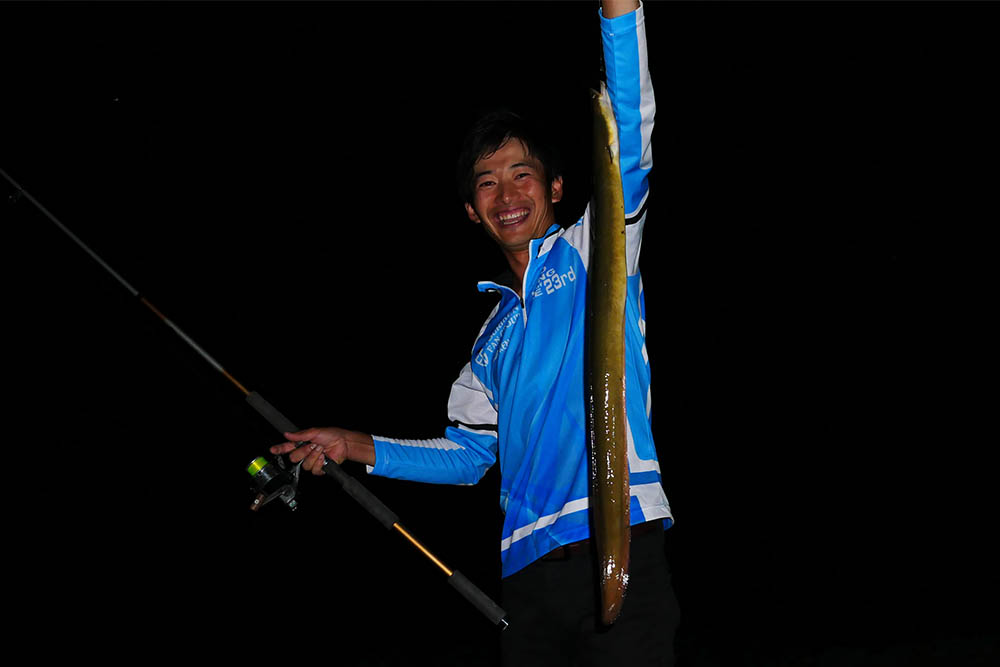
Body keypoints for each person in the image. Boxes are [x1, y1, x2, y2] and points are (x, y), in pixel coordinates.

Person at [270, 1, 678, 664]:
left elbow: (631, 135)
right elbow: (465, 457)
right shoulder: (488, 344)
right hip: (527, 578)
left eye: (522, 174)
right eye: (487, 184)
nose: (506, 195)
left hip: (620, 540)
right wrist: (352, 444)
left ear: (556, 186)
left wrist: (618, 12)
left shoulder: (596, 248)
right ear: (471, 211)